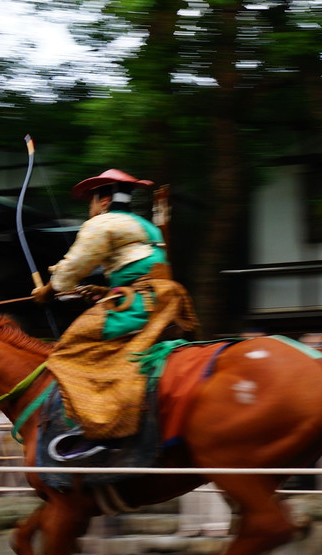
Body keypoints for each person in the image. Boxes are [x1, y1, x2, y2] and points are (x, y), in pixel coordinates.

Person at [31, 169, 198, 457]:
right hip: (162, 299)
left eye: (92, 202)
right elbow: (138, 268)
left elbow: (72, 267)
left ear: (104, 199)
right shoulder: (145, 226)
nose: (90, 209)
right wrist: (99, 290)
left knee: (69, 348)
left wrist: (48, 290)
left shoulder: (102, 223)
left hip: (138, 303)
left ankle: (102, 428)